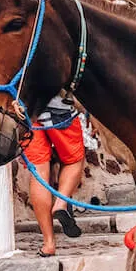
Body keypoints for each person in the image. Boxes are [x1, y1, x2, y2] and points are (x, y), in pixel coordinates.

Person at [21, 93, 85, 257]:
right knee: (73, 160)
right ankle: (61, 203)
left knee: (39, 173)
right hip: (59, 110)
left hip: (26, 114)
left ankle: (48, 243)